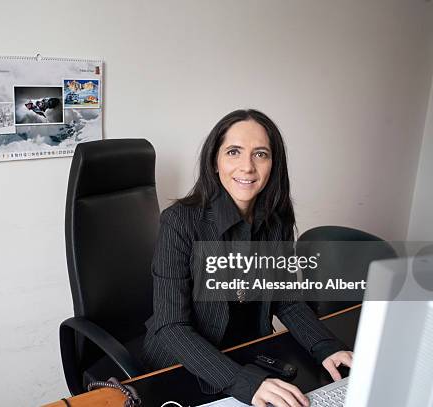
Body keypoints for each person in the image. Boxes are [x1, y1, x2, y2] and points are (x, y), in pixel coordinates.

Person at [141, 109, 353, 407]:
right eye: (233, 152)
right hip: (181, 364)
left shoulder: (276, 221)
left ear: (273, 164)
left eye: (261, 154)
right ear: (215, 161)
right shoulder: (180, 221)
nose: (247, 167)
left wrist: (326, 346)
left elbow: (288, 300)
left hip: (249, 353)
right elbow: (171, 326)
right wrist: (244, 383)